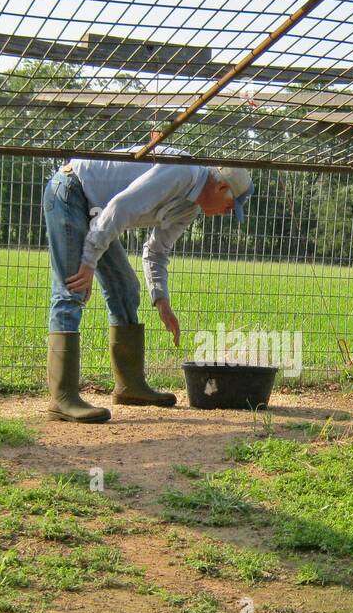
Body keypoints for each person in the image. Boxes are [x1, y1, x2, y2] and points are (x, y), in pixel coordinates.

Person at [41, 152, 253, 423]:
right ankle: (62, 398)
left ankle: (130, 387)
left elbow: (156, 252)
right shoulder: (182, 172)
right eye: (229, 207)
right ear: (221, 187)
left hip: (98, 210)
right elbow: (120, 207)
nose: (226, 214)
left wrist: (161, 300)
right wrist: (88, 262)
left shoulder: (190, 208)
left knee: (126, 289)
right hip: (71, 190)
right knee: (73, 287)